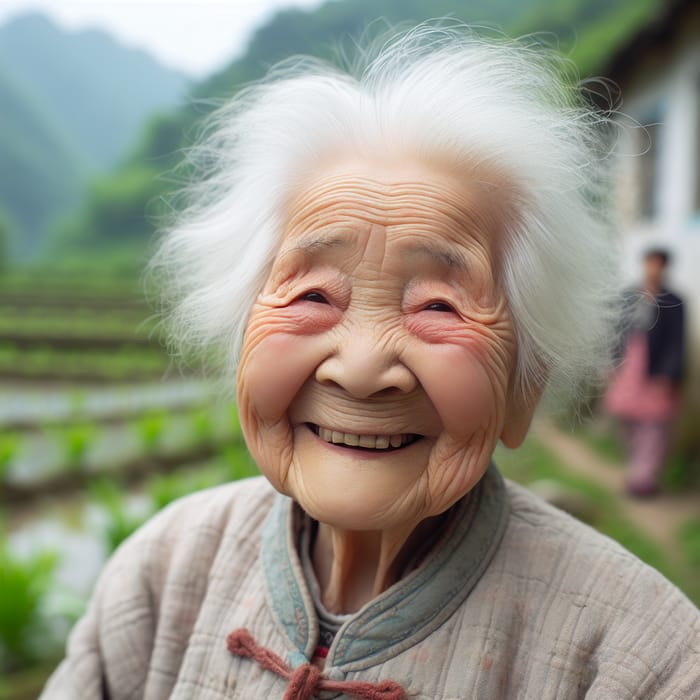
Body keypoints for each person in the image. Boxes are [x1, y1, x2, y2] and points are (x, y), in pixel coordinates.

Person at [40, 25, 699, 699]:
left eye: (439, 306)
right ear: (243, 341)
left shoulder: (643, 664)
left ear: (525, 381)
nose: (359, 368)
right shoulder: (161, 575)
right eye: (314, 294)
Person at [604, 248, 685, 497]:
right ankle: (638, 468)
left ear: (664, 268)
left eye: (658, 264)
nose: (653, 268)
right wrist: (612, 364)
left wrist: (669, 374)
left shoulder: (674, 302)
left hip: (656, 371)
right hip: (629, 369)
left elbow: (676, 340)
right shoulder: (630, 296)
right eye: (650, 263)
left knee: (654, 425)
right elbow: (617, 331)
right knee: (628, 420)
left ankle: (644, 479)